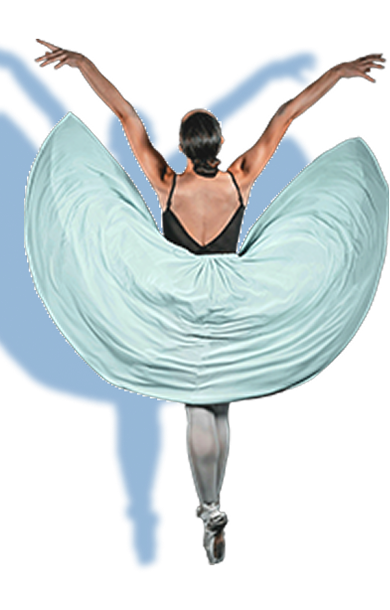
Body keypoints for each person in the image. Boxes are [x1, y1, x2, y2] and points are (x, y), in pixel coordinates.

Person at [32, 41, 386, 565]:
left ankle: (195, 511)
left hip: (175, 301)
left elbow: (124, 113)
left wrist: (83, 65)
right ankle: (211, 506)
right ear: (220, 144)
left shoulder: (166, 182)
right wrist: (339, 73)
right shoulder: (240, 179)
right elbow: (286, 114)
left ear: (181, 146)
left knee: (195, 403)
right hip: (230, 298)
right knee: (212, 405)